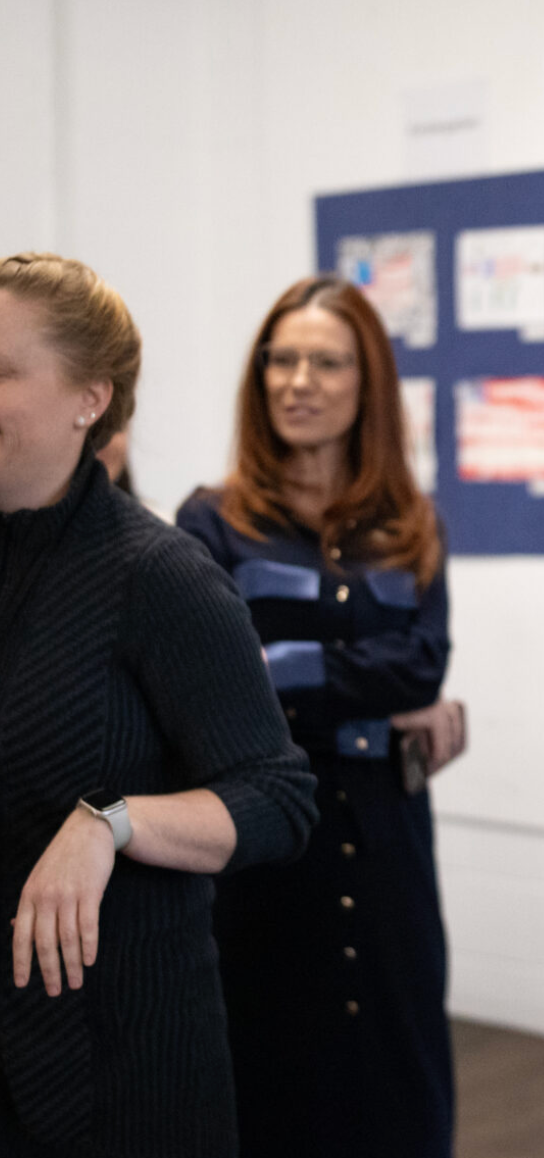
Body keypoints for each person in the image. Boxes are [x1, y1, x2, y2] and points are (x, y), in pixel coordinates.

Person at [0, 252, 317, 1157]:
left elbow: (276, 798)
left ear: (89, 398)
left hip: (118, 1079)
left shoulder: (158, 575)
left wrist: (111, 821)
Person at [176, 274, 459, 1158]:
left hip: (387, 843)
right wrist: (367, 699)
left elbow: (426, 661)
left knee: (396, 1077)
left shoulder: (411, 524)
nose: (299, 380)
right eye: (283, 360)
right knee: (270, 1079)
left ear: (366, 381)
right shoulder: (212, 523)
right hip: (263, 847)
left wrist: (283, 664)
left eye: (326, 362)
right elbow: (215, 686)